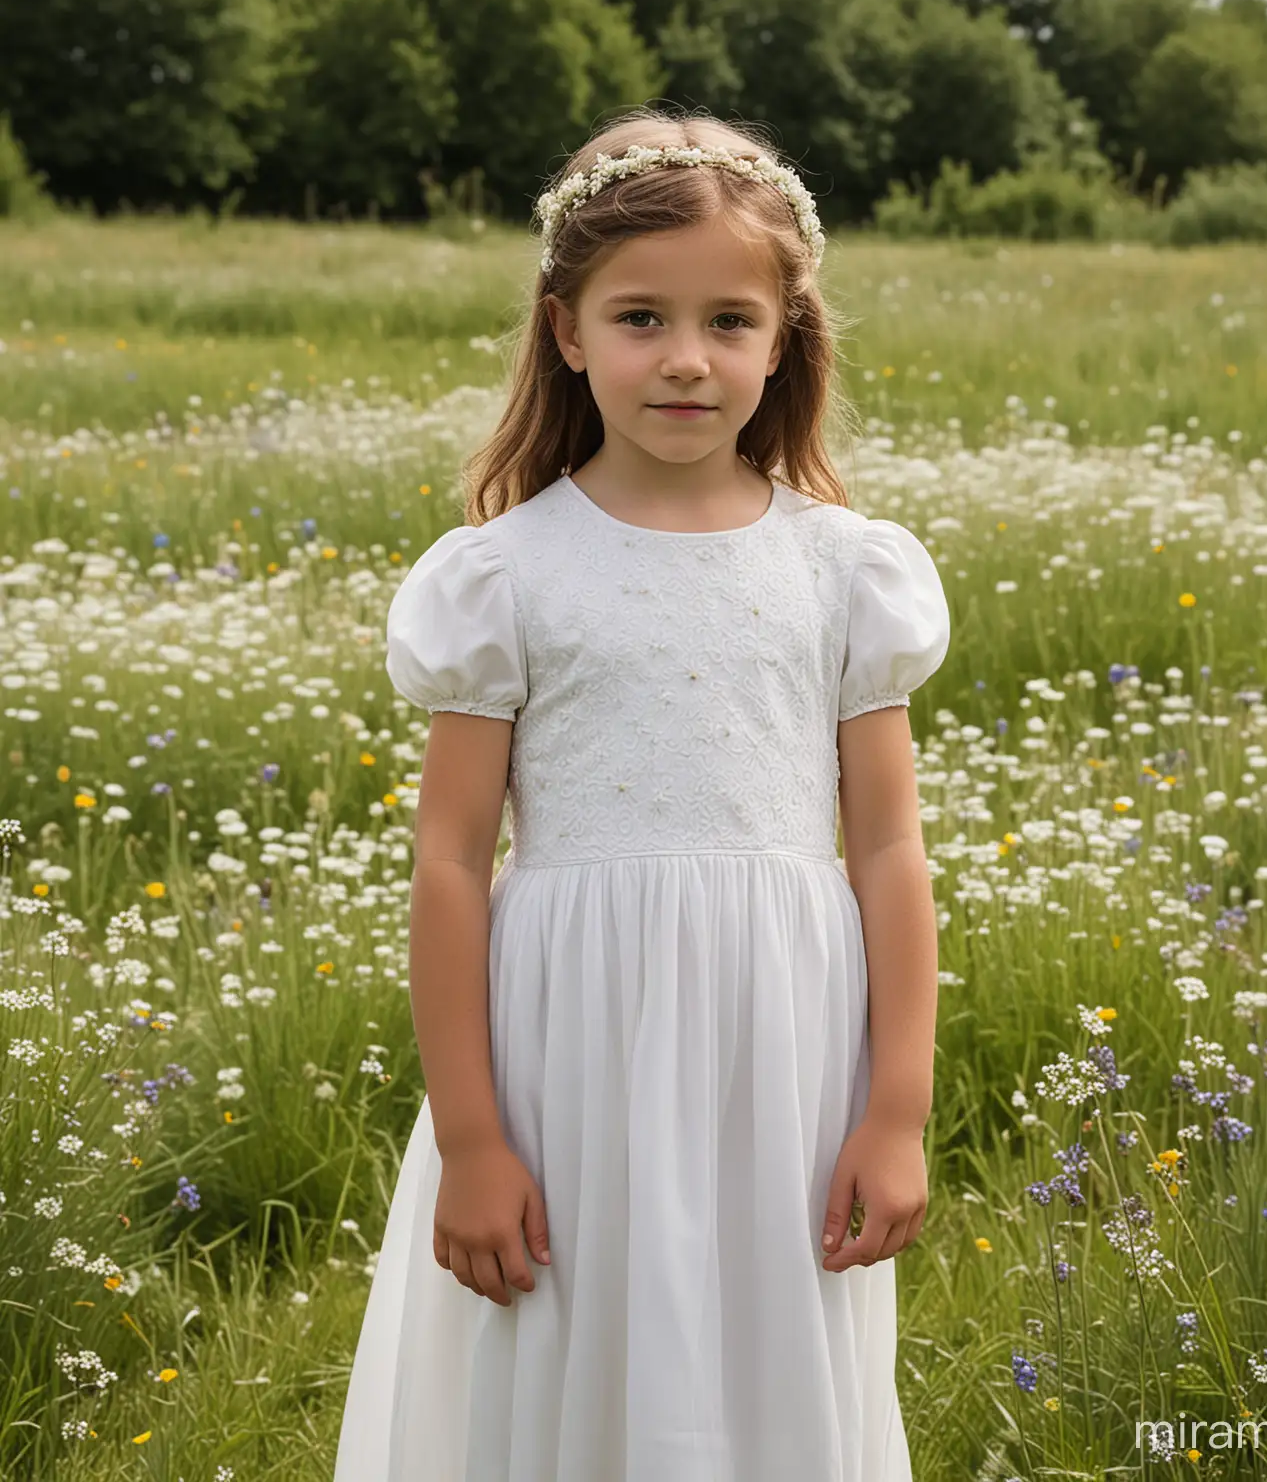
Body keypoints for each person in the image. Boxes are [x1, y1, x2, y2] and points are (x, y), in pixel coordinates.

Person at [334, 106, 951, 1481]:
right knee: (573, 1348)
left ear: (785, 336)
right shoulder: (504, 575)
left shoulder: (846, 570)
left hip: (787, 1044)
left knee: (765, 1355)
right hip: (569, 1045)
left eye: (731, 320)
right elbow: (448, 861)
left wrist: (896, 1110)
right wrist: (476, 1135)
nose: (686, 359)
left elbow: (892, 849)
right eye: (640, 318)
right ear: (566, 329)